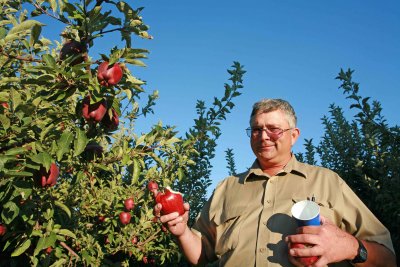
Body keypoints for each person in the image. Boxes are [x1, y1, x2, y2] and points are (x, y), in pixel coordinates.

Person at [155, 98, 396, 267]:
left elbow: (387, 259)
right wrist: (182, 232)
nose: (263, 136)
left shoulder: (327, 181)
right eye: (256, 129)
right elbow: (201, 254)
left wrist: (351, 248)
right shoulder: (227, 187)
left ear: (294, 135)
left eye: (274, 129)